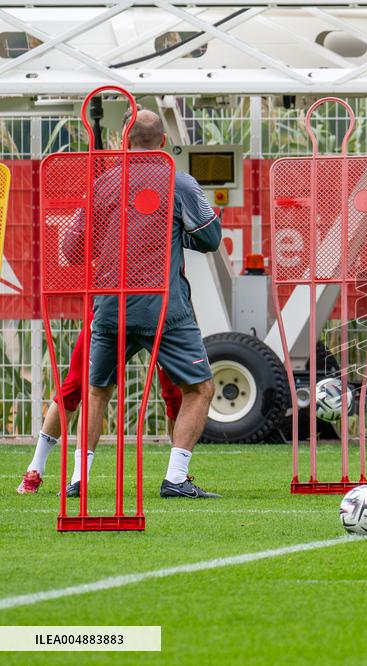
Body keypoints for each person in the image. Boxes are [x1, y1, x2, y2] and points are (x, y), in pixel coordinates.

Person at [63, 109, 222, 497]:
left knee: (97, 390)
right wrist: (172, 237)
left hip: (110, 305)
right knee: (200, 389)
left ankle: (78, 480)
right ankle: (176, 478)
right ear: (164, 143)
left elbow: (72, 248)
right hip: (163, 307)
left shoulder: (102, 183)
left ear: (123, 142)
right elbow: (210, 237)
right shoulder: (179, 182)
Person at [16, 333, 182, 494]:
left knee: (175, 393)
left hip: (156, 318)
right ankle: (37, 469)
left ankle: (177, 476)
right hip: (111, 315)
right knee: (74, 385)